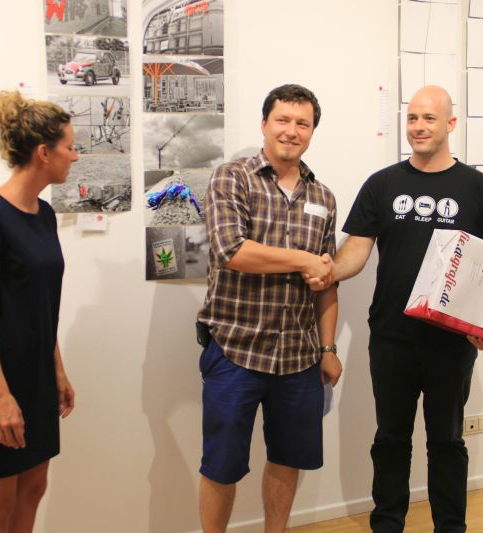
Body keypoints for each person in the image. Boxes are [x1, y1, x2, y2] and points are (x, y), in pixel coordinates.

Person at [310, 85, 483, 532]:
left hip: (451, 343)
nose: (419, 127)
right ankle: (387, 525)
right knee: (390, 439)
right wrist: (328, 271)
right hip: (391, 339)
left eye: (429, 118)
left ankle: (450, 527)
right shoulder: (383, 184)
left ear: (450, 123)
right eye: (412, 118)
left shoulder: (479, 188)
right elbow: (357, 251)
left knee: (447, 442)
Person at [196, 84, 342, 533]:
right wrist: (303, 260)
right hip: (235, 350)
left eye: (302, 123)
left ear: (312, 131)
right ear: (264, 124)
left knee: (287, 459)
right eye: (283, 120)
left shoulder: (324, 197)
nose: (291, 131)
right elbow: (231, 250)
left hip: (300, 356)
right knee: (221, 465)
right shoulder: (231, 178)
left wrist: (328, 348)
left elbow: (326, 282)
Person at [0, 90, 77, 532]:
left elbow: (41, 303)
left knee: (31, 493)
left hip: (36, 379)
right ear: (44, 153)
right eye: (69, 147)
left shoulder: (44, 214)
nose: (74, 156)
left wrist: (57, 370)